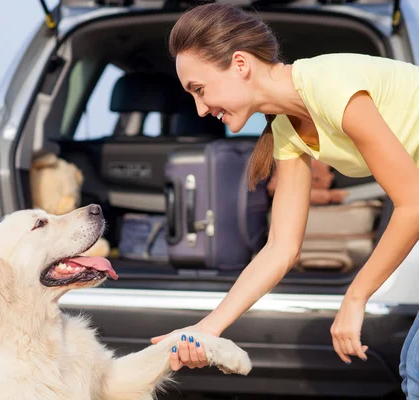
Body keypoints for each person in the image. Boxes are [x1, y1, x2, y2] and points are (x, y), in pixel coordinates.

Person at [149, 3, 419, 397]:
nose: (201, 109)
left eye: (200, 90)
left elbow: (412, 204)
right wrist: (207, 328)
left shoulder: (329, 83)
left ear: (240, 63)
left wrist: (355, 296)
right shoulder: (288, 131)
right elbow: (281, 248)